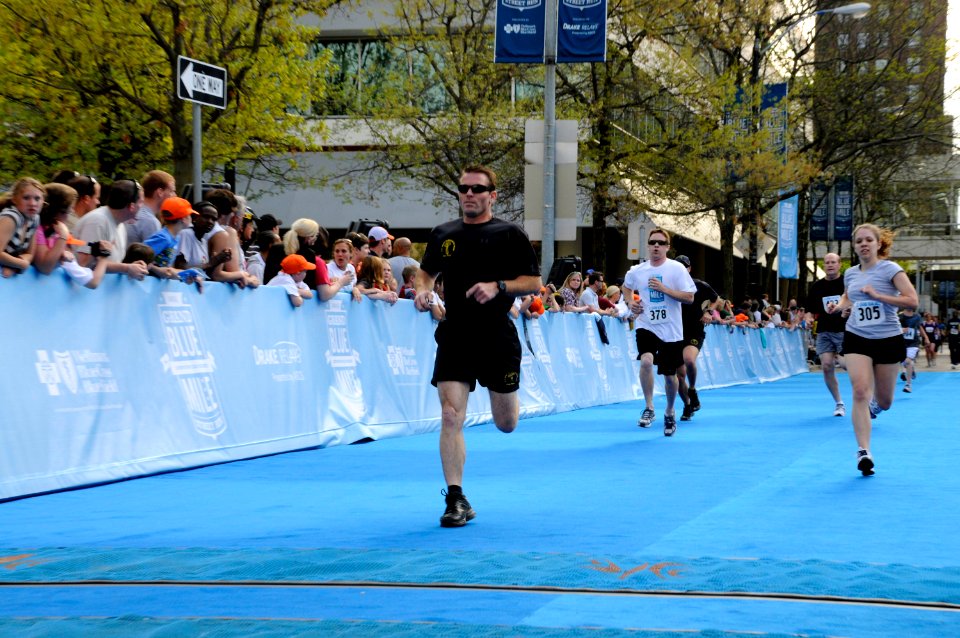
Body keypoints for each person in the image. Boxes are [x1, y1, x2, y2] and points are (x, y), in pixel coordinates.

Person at [413, 165, 541, 528]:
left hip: (497, 335)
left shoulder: (510, 233)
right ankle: (456, 498)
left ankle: (507, 400)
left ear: (492, 195)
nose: (469, 194)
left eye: (477, 189)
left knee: (506, 423)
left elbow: (533, 281)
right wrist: (423, 290)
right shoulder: (443, 234)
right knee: (451, 415)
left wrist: (498, 286)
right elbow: (427, 272)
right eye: (463, 189)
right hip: (455, 334)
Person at [825, 223, 919, 476]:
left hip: (888, 338)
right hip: (858, 336)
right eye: (859, 241)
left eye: (868, 240)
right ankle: (863, 451)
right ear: (854, 247)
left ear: (879, 244)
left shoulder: (891, 270)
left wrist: (878, 296)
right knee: (859, 390)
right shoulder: (851, 273)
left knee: (885, 401)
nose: (864, 244)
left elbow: (912, 300)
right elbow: (849, 296)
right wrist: (840, 305)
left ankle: (875, 408)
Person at [621, 228, 696, 436]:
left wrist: (665, 290)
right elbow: (626, 288)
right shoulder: (637, 271)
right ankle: (649, 407)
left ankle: (670, 411)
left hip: (671, 330)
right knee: (645, 361)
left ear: (667, 247)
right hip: (646, 324)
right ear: (648, 245)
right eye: (653, 242)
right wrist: (630, 302)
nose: (656, 246)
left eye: (661, 243)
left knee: (670, 375)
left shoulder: (677, 269)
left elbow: (689, 297)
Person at [73, 179, 149, 280]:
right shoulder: (97, 221)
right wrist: (126, 268)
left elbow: (109, 263)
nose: (142, 207)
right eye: (141, 202)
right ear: (131, 206)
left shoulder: (121, 225)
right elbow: (85, 264)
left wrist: (132, 266)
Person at [673, 255, 718, 422]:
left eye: (684, 267)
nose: (681, 270)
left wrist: (709, 312)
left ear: (689, 269)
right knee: (679, 375)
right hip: (674, 333)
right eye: (678, 266)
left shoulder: (699, 285)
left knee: (689, 360)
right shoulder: (668, 287)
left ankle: (692, 389)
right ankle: (687, 405)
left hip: (694, 331)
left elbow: (716, 299)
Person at [806, 252, 849, 417]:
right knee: (826, 366)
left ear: (839, 264)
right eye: (827, 263)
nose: (830, 265)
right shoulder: (817, 286)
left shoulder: (847, 282)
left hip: (844, 330)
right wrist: (809, 319)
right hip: (824, 330)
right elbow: (810, 309)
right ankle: (839, 403)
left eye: (833, 262)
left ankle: (865, 393)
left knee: (846, 365)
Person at [0, 177, 44, 277]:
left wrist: (15, 266)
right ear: (14, 199)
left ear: (43, 201)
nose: (32, 203)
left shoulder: (34, 219)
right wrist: (20, 264)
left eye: (37, 199)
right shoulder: (10, 218)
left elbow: (30, 253)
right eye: (26, 198)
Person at [127, 170, 176, 244]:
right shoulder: (150, 221)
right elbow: (152, 254)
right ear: (160, 192)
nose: (175, 196)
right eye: (171, 191)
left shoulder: (133, 213)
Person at [898, 307, 927, 393]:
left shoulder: (917, 316)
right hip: (901, 343)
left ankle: (908, 385)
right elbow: (892, 327)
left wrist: (926, 337)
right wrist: (901, 330)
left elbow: (920, 327)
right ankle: (911, 367)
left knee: (907, 361)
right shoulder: (899, 316)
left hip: (913, 343)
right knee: (905, 362)